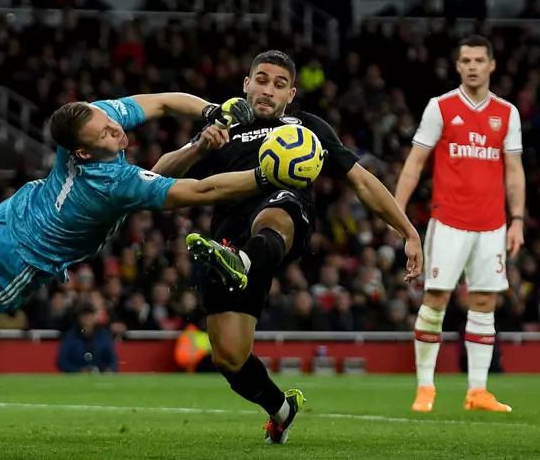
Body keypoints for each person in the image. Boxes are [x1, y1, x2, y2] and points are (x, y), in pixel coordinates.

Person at [0, 93, 262, 368]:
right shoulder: (111, 183)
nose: (117, 129)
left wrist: (210, 114)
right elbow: (203, 189)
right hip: (21, 259)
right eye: (106, 133)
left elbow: (166, 104)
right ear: (82, 150)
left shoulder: (88, 119)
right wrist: (266, 175)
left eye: (110, 122)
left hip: (19, 208)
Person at [152, 50, 423, 445]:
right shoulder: (223, 124)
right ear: (246, 84)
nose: (268, 91)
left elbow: (362, 181)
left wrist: (408, 231)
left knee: (278, 210)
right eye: (261, 80)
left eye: (279, 85)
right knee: (229, 358)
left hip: (283, 216)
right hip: (227, 232)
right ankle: (281, 409)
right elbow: (156, 176)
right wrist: (198, 148)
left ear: (291, 94)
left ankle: (242, 260)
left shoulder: (306, 127)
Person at [395, 35, 524, 413]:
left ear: (491, 65)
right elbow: (416, 161)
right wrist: (398, 212)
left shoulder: (507, 113)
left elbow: (513, 171)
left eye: (479, 60)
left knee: (485, 302)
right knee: (436, 298)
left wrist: (516, 220)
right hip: (449, 221)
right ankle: (425, 387)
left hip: (492, 225)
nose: (472, 66)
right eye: (465, 60)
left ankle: (477, 391)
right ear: (457, 66)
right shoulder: (441, 107)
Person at [56, 302, 117, 373]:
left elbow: (112, 360)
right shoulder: (70, 336)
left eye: (90, 315)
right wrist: (78, 371)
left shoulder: (103, 335)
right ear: (79, 318)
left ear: (94, 316)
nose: (87, 318)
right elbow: (62, 362)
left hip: (100, 377)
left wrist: (109, 370)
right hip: (76, 378)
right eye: (84, 316)